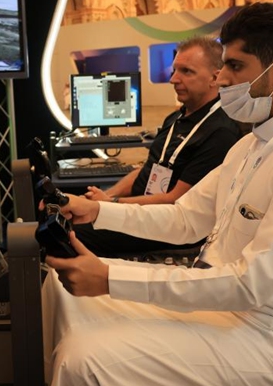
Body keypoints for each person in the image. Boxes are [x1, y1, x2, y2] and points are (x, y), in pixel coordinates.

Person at [41, 2, 273, 386]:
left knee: (84, 363)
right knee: (61, 290)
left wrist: (110, 279)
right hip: (223, 308)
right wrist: (97, 210)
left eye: (235, 67)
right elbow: (186, 218)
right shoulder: (252, 142)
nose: (221, 78)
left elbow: (249, 284)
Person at [76, 35, 242, 257]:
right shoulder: (175, 118)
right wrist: (106, 196)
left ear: (215, 77)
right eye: (174, 70)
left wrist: (111, 205)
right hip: (140, 213)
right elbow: (145, 171)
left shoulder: (220, 131)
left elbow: (177, 200)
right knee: (68, 217)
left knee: (74, 232)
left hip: (165, 226)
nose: (173, 79)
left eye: (186, 71)